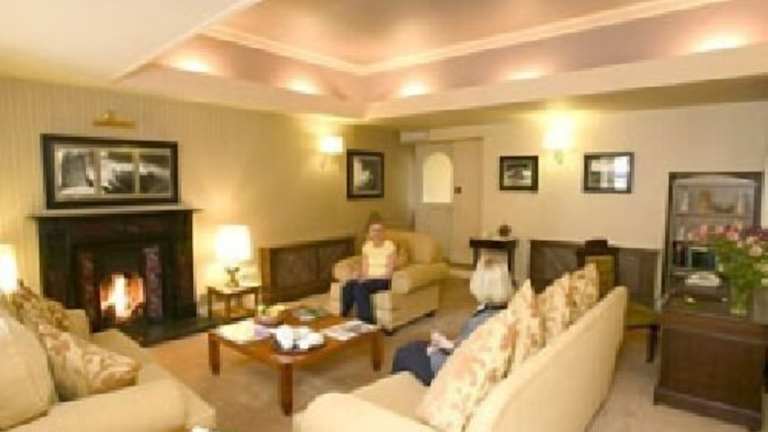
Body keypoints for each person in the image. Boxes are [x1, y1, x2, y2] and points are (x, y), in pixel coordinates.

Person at [391, 256, 514, 385]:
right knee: (416, 346)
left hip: (449, 370)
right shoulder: (501, 312)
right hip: (460, 356)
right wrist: (446, 343)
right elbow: (468, 346)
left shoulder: (482, 322)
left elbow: (461, 360)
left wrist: (436, 352)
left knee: (403, 354)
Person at [340, 221, 395, 324]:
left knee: (360, 287)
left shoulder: (389, 246)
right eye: (373, 230)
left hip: (383, 280)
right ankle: (344, 315)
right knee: (349, 284)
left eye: (379, 230)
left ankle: (367, 321)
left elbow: (389, 273)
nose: (376, 233)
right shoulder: (367, 246)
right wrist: (358, 275)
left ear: (384, 232)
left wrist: (367, 278)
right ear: (369, 233)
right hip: (369, 278)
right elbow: (365, 268)